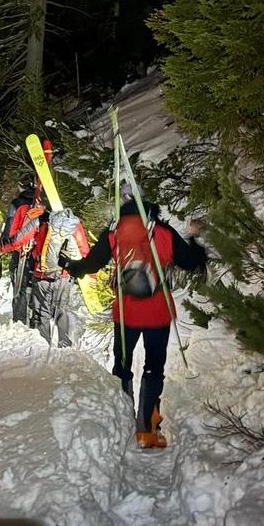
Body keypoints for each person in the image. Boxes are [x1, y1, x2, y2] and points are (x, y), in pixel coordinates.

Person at [63, 188, 207, 448]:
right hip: (157, 313)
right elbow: (191, 262)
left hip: (126, 313)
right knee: (154, 368)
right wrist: (194, 239)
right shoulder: (161, 231)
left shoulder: (115, 233)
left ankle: (121, 421)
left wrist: (72, 266)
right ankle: (147, 430)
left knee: (122, 366)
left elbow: (91, 265)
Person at [31, 207, 90, 348]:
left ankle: (44, 345)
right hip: (64, 276)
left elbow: (36, 251)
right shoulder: (74, 227)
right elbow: (84, 252)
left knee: (41, 311)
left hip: (43, 276)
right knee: (61, 310)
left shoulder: (46, 225)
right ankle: (64, 344)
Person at [0, 183, 45, 324]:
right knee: (36, 285)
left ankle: (20, 320)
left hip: (21, 251)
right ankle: (37, 319)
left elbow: (11, 230)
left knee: (19, 286)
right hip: (39, 252)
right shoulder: (42, 204)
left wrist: (2, 247)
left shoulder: (17, 204)